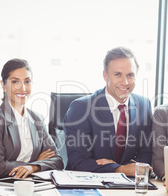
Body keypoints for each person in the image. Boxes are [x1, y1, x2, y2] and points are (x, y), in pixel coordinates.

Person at [63, 46, 153, 176]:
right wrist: (120, 169)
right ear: (105, 75)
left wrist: (133, 169)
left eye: (130, 75)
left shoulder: (144, 105)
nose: (125, 82)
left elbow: (146, 154)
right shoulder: (81, 108)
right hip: (86, 185)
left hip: (129, 186)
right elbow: (79, 162)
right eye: (118, 75)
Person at [0, 58, 63, 181]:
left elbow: (58, 161)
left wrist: (33, 168)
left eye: (27, 81)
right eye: (15, 82)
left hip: (31, 183)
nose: (23, 88)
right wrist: (34, 163)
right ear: (3, 85)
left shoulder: (37, 118)